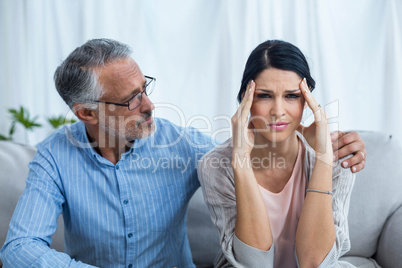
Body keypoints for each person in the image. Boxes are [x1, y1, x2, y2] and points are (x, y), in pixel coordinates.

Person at [0, 39, 365, 268]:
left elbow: (246, 157)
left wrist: (324, 143)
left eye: (145, 88)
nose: (150, 105)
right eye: (131, 99)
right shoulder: (54, 157)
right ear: (87, 113)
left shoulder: (183, 146)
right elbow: (19, 250)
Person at [198, 40, 358, 267]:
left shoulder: (337, 158)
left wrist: (324, 157)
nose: (278, 111)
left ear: (307, 100)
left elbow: (315, 262)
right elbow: (255, 263)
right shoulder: (215, 165)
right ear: (246, 98)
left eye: (292, 96)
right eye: (264, 95)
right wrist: (241, 162)